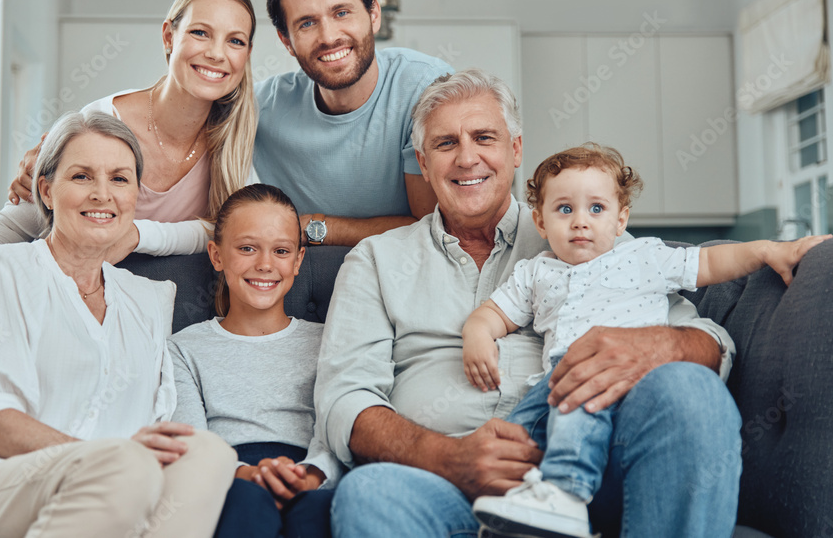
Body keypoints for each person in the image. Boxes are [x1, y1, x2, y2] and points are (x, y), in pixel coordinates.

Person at [313, 69, 743, 538]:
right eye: (445, 144)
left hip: (591, 470)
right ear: (423, 160)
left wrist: (659, 347)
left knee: (691, 389)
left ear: (515, 150)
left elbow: (710, 342)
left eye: (484, 137)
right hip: (444, 483)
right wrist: (448, 457)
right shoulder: (376, 259)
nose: (467, 157)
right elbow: (344, 400)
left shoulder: (585, 233)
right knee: (370, 493)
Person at [0, 111, 235, 537]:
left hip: (105, 491)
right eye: (81, 177)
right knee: (126, 465)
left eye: (119, 179)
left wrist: (114, 462)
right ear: (47, 191)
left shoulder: (146, 300)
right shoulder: (1, 268)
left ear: (134, 197)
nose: (102, 194)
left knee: (207, 453)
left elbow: (152, 429)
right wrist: (104, 457)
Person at [462, 143, 829, 537]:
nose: (580, 222)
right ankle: (523, 511)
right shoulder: (536, 272)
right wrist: (477, 333)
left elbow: (710, 263)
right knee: (516, 432)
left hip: (626, 377)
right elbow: (495, 312)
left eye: (597, 209)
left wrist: (765, 250)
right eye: (564, 209)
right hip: (557, 376)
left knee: (576, 408)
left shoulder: (644, 257)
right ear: (540, 221)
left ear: (621, 220)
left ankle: (565, 492)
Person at [0, 0, 258, 305]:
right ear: (169, 36)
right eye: (200, 32)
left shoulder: (234, 140)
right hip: (58, 295)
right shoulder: (102, 123)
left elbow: (231, 229)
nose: (216, 53)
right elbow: (9, 225)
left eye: (235, 41)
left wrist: (138, 235)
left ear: (247, 54)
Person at [169, 184, 340, 538]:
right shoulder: (182, 349)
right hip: (228, 475)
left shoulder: (330, 341)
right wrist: (245, 474)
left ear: (298, 261)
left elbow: (338, 426)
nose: (264, 265)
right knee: (245, 503)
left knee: (317, 512)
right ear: (217, 256)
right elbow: (191, 438)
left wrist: (311, 474)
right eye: (247, 248)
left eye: (281, 251)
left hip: (309, 475)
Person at [255, 0, 454, 246]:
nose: (329, 37)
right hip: (301, 274)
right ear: (287, 40)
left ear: (374, 14)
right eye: (306, 23)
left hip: (404, 272)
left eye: (342, 12)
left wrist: (314, 227)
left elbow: (430, 228)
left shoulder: (425, 87)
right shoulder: (262, 106)